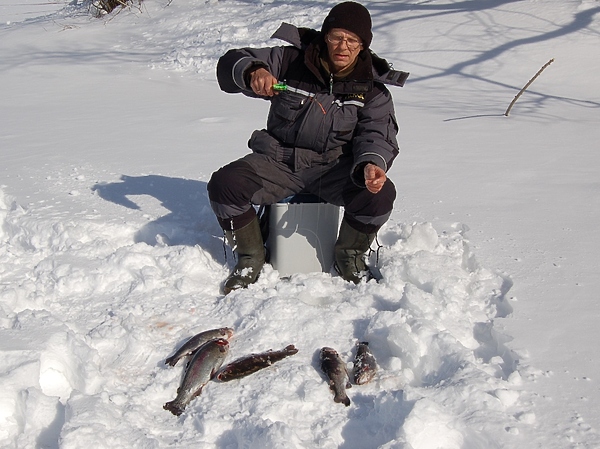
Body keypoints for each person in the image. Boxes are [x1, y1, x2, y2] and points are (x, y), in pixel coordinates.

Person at [208, 1, 408, 294]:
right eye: (336, 36)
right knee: (225, 184)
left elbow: (377, 134)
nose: (343, 45)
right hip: (278, 162)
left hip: (334, 168)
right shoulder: (291, 61)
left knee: (380, 195)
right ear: (325, 36)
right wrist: (253, 72)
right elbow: (231, 62)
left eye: (352, 40)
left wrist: (371, 164)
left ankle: (349, 255)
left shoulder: (372, 89)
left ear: (363, 45)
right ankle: (251, 256)